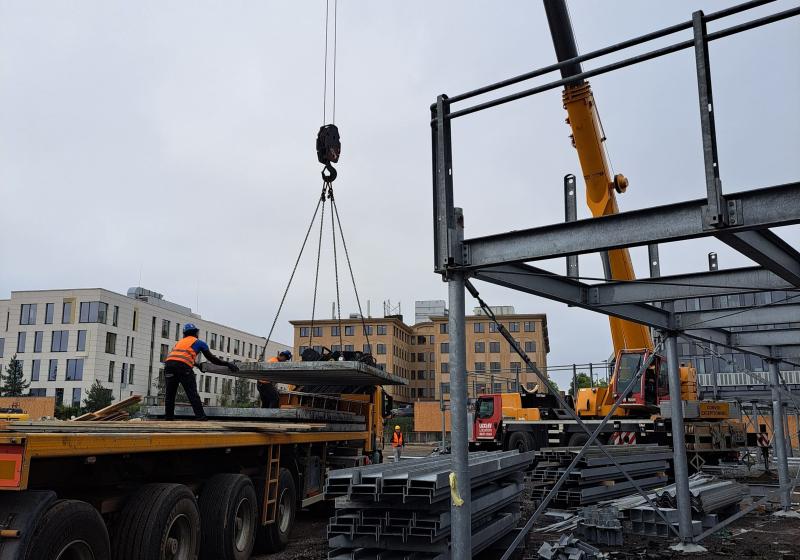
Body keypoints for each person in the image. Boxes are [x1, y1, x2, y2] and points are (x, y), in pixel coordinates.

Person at [164, 323, 238, 420]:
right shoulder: (199, 342)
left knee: (170, 394)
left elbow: (179, 357)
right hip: (183, 367)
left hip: (168, 366)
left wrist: (197, 365)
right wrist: (227, 364)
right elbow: (212, 359)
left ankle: (169, 418)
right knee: (192, 392)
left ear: (184, 333)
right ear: (196, 333)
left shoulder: (179, 342)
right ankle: (200, 416)